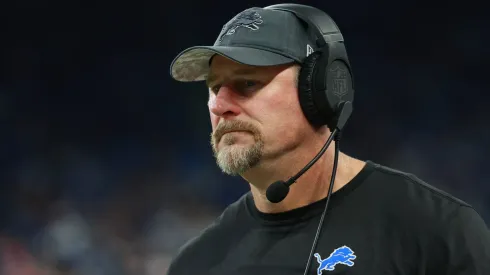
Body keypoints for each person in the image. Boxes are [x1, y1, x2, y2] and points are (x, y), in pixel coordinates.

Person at [167, 3, 490, 275]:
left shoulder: (435, 232)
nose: (220, 106)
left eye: (248, 83)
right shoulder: (197, 263)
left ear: (321, 90)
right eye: (213, 88)